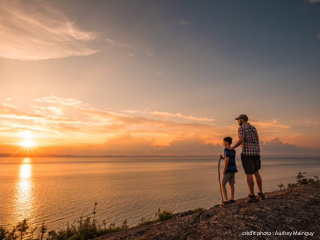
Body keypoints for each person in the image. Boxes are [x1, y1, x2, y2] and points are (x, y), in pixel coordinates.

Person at [228, 114, 265, 203]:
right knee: (256, 172)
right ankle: (260, 194)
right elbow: (254, 139)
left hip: (247, 153)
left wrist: (232, 147)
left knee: (249, 174)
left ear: (242, 120)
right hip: (256, 152)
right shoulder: (253, 128)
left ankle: (251, 196)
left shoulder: (241, 128)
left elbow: (241, 139)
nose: (238, 122)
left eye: (238, 120)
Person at [219, 136, 238, 207]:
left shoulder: (226, 149)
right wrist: (222, 158)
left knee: (223, 184)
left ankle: (226, 201)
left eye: (223, 142)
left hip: (228, 169)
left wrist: (224, 170)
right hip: (233, 168)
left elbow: (227, 159)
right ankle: (232, 199)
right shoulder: (233, 150)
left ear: (227, 142)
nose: (223, 143)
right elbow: (229, 158)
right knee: (231, 184)